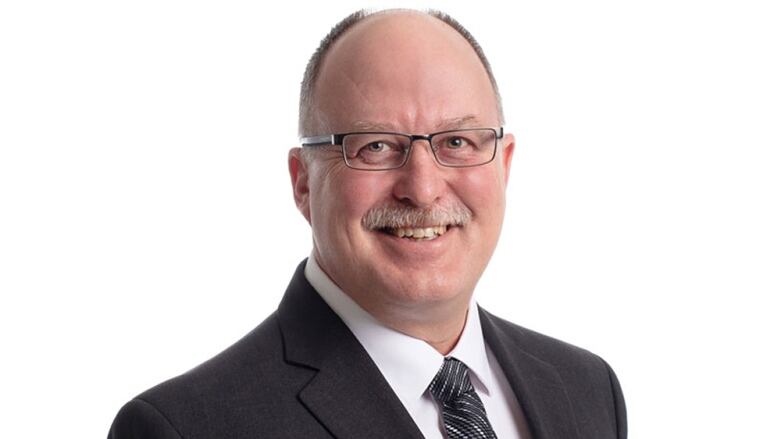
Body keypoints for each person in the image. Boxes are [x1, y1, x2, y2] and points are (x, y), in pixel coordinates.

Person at [108, 8, 627, 439]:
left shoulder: (586, 390)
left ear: (504, 165)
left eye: (457, 143)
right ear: (303, 182)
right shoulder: (185, 429)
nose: (422, 189)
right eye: (375, 146)